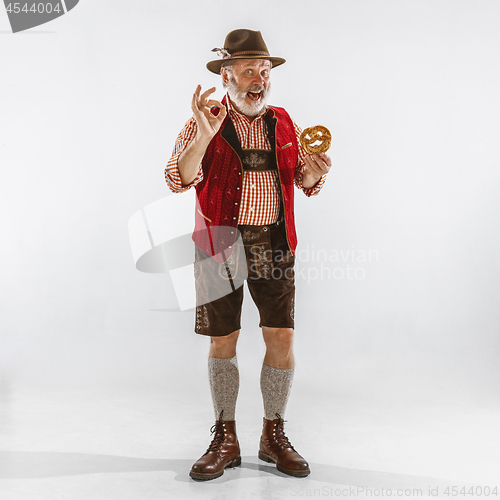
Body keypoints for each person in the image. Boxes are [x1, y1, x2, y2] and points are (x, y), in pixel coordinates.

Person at [165, 29, 332, 481]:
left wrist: (313, 174)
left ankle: (272, 434)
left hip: (275, 244)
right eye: (249, 70)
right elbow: (179, 178)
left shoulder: (283, 120)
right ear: (227, 73)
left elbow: (301, 178)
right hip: (219, 243)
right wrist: (203, 134)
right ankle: (225, 435)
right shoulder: (206, 119)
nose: (259, 78)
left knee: (281, 337)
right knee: (224, 341)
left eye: (264, 70)